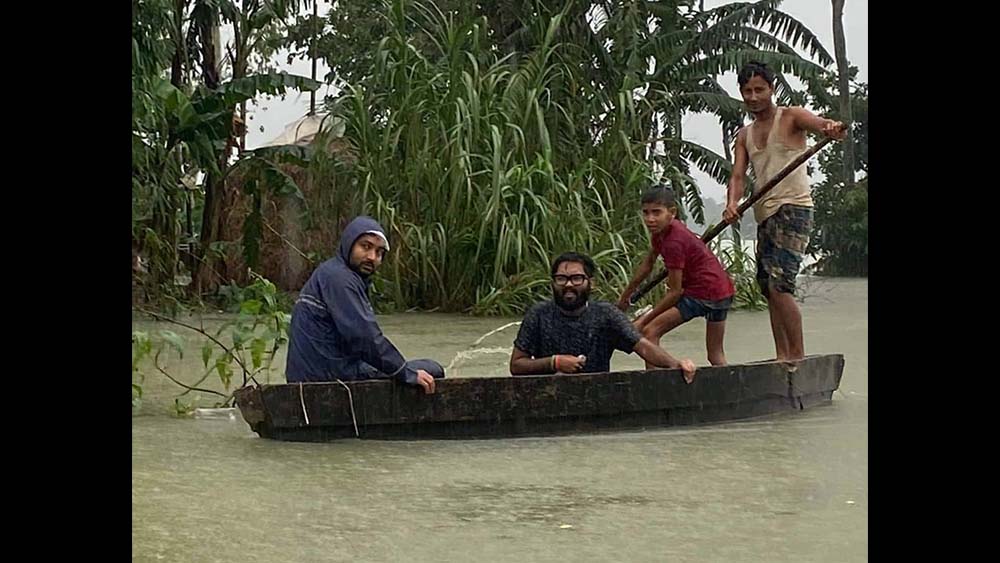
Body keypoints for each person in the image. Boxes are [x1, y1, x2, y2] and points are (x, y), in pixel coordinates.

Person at [724, 61, 846, 361]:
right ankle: (781, 356)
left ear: (772, 89)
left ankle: (797, 357)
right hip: (764, 214)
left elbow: (821, 124)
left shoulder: (791, 116)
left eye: (759, 90)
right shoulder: (744, 135)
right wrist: (732, 204)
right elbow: (738, 176)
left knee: (780, 285)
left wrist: (830, 128)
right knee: (768, 288)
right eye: (747, 91)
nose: (753, 97)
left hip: (793, 208)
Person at [285, 216, 443, 393]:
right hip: (328, 376)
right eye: (365, 247)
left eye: (379, 252)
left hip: (314, 374)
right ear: (349, 244)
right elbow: (365, 338)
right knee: (432, 369)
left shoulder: (330, 273)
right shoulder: (340, 279)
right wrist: (405, 372)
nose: (372, 257)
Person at [510, 252, 696, 382]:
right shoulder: (539, 314)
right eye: (561, 278)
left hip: (597, 392)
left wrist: (675, 364)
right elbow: (517, 366)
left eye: (576, 278)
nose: (568, 285)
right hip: (546, 394)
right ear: (553, 282)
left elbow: (643, 347)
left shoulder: (606, 315)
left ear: (591, 283)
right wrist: (554, 362)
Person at [618, 186, 735, 366]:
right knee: (715, 355)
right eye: (646, 213)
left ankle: (657, 385)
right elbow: (647, 264)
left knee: (649, 333)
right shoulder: (662, 232)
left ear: (671, 212)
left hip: (703, 294)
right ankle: (730, 386)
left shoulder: (674, 241)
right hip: (723, 291)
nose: (650, 219)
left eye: (656, 213)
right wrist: (626, 297)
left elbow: (675, 292)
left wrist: (642, 321)